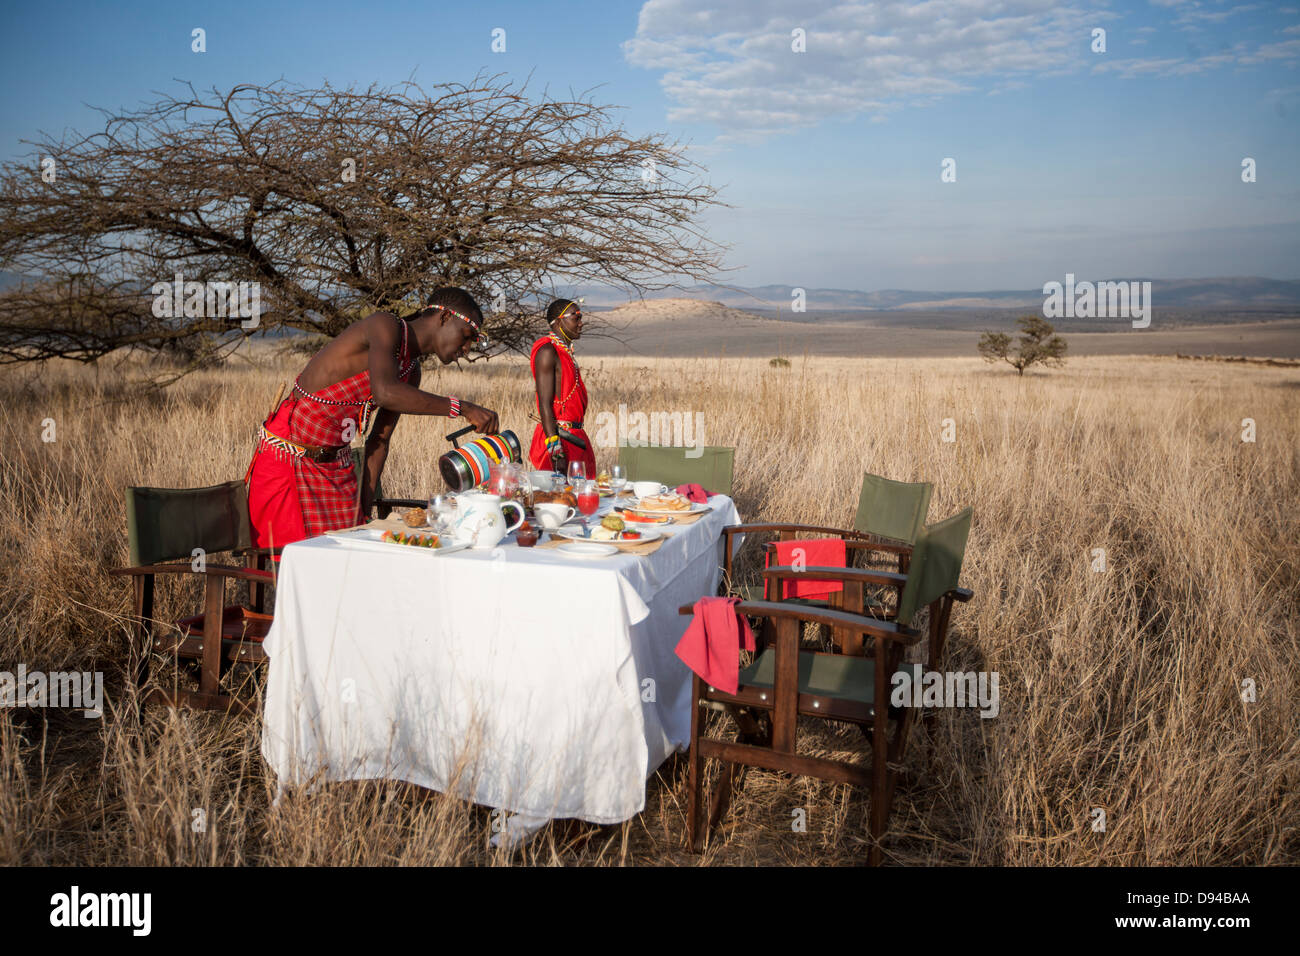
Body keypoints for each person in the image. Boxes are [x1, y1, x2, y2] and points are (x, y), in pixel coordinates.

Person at [245, 288, 500, 550]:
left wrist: (365, 511)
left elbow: (379, 440)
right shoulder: (384, 325)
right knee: (289, 566)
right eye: (468, 336)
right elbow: (386, 392)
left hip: (337, 471)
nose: (467, 348)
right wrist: (462, 407)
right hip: (291, 463)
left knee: (344, 562)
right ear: (445, 317)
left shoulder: (411, 369)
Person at [528, 298, 596, 478]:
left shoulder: (564, 352)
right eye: (576, 318)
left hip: (574, 438)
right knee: (557, 500)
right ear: (559, 321)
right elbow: (544, 404)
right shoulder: (547, 352)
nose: (581, 323)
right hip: (559, 440)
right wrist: (555, 451)